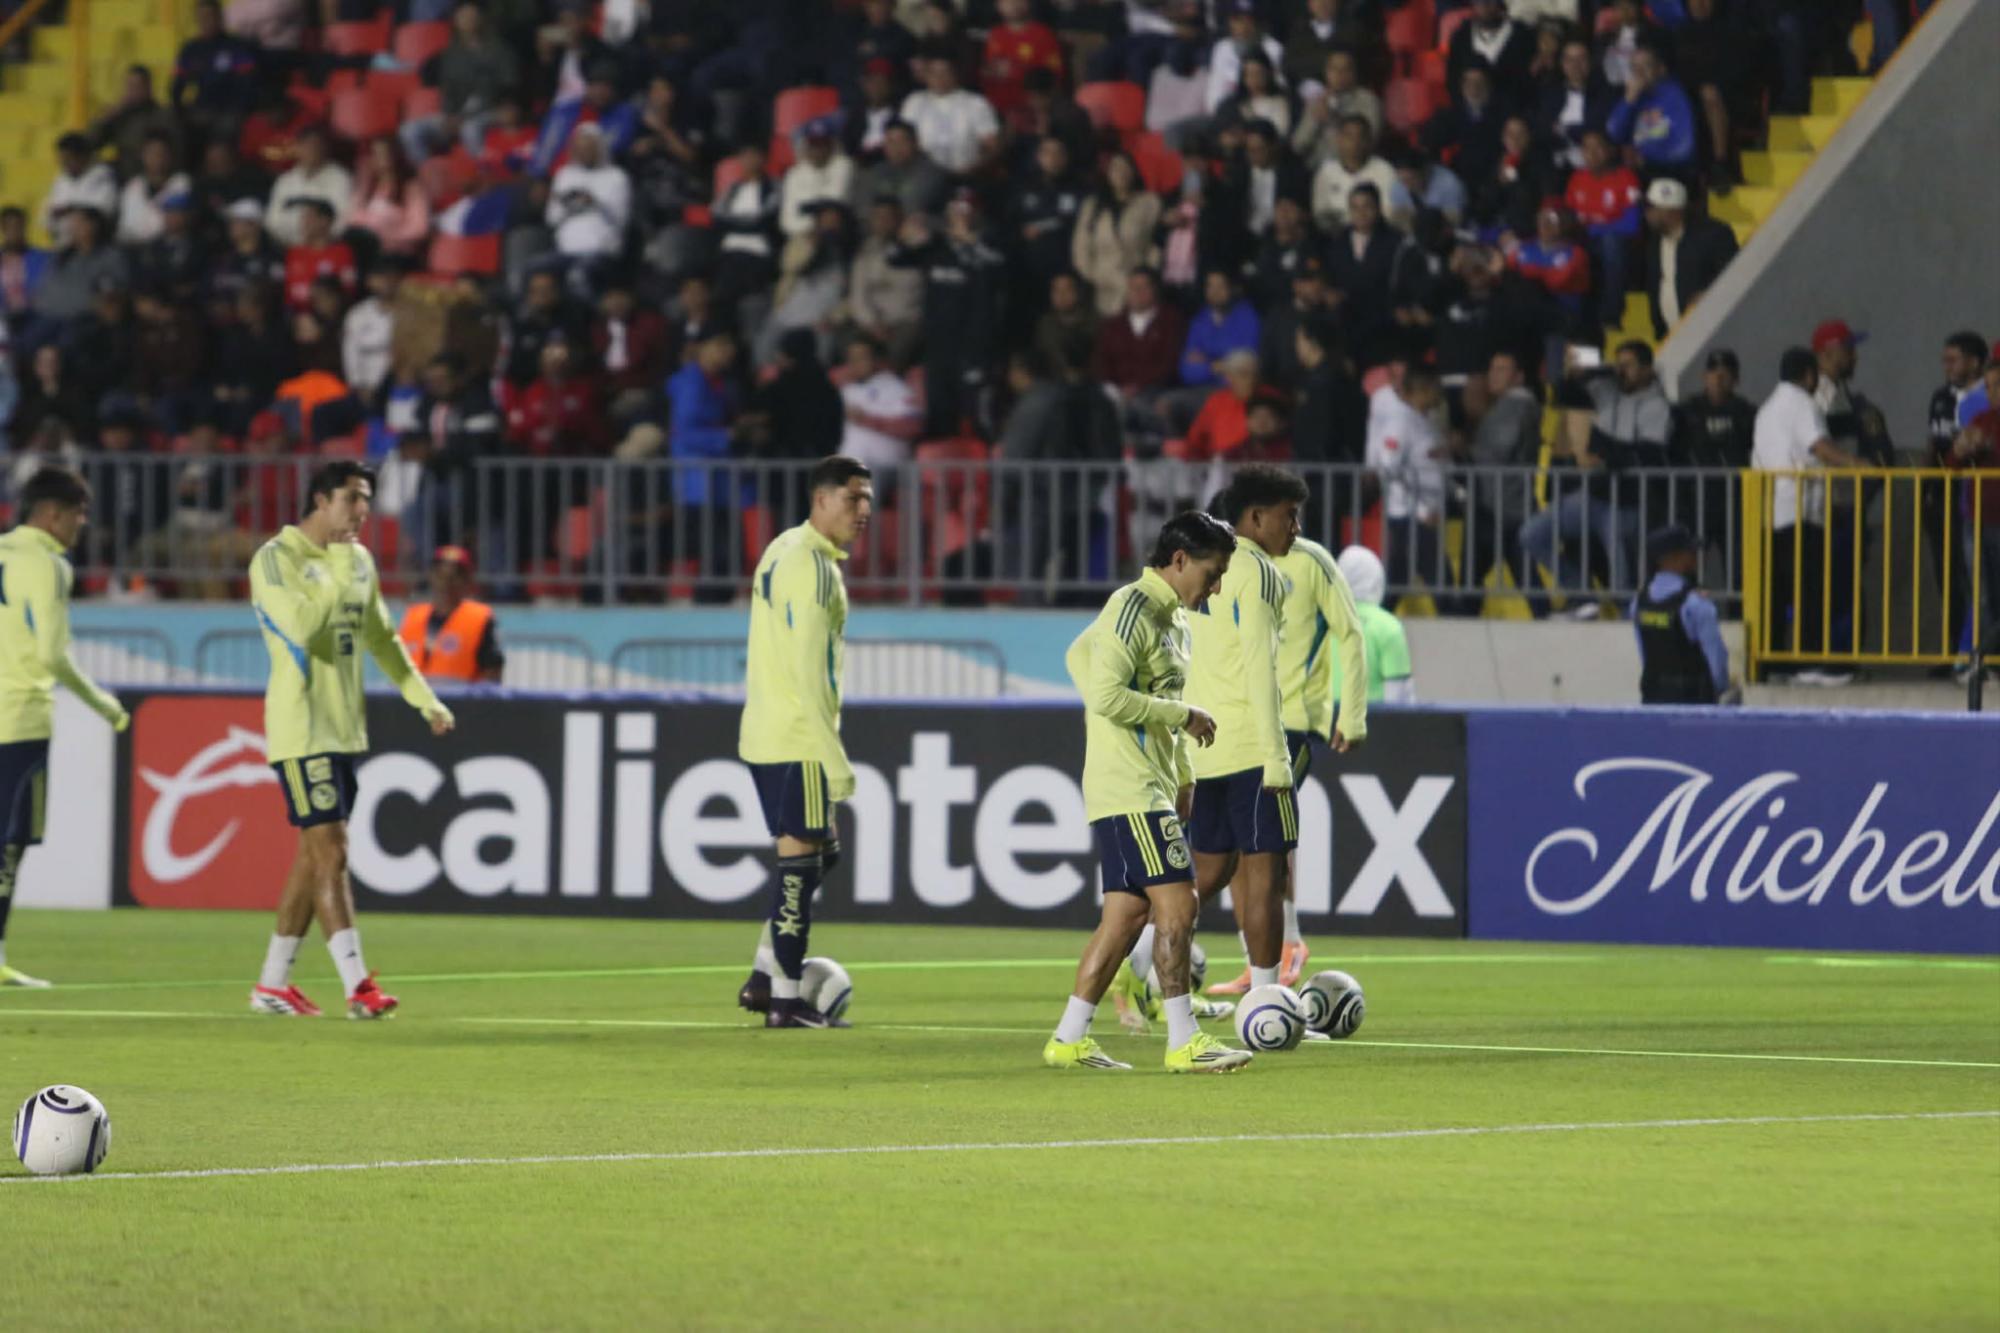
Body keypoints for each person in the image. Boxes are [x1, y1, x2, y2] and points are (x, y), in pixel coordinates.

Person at [1041, 509, 1253, 1075]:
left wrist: (1182, 776)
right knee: (1179, 903)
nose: (1216, 586)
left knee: (1125, 918)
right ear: (1179, 560)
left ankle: (1068, 1037)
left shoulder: (1175, 621)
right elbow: (1107, 695)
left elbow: (1079, 657)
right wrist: (1180, 715)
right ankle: (1184, 1039)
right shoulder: (1130, 607)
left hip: (1151, 785)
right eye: (1211, 572)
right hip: (1129, 786)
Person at [246, 461, 456, 1019]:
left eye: (367, 499)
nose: (363, 511)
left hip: (342, 730)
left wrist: (424, 699)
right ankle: (358, 986)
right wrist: (339, 567)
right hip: (301, 728)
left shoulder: (358, 561)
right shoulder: (276, 559)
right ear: (320, 499)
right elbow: (303, 630)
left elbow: (383, 640)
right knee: (332, 853)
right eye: (352, 498)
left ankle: (271, 983)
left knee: (314, 859)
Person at [735, 456, 876, 1029]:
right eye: (852, 499)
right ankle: (787, 1001)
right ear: (821, 500)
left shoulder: (782, 547)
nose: (863, 511)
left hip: (768, 733)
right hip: (799, 739)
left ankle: (765, 975)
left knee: (822, 854)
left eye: (867, 499)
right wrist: (832, 757)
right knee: (800, 866)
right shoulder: (816, 571)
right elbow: (810, 675)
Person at [1205, 524, 1368, 998]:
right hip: (1240, 725)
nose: (1294, 524)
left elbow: (1350, 632)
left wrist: (1351, 713)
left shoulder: (1311, 560)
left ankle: (1287, 945)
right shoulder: (1226, 567)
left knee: (1262, 844)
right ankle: (1258, 960)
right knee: (1241, 845)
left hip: (1291, 722)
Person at [0, 468, 131, 987]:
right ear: (52, 514)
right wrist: (102, 702)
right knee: (9, 844)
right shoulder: (50, 565)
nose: (82, 524)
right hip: (21, 716)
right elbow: (52, 654)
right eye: (79, 513)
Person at [1187, 464, 1305, 1006]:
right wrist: (1277, 757)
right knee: (1267, 873)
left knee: (1205, 874)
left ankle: (1139, 955)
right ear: (1256, 517)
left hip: (1203, 746)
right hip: (1251, 749)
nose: (1296, 528)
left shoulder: (1205, 565)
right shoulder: (1258, 572)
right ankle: (1265, 1001)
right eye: (1288, 515)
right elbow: (1261, 666)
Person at [1751, 347, 1858, 683]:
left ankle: (1772, 663)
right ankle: (1809, 663)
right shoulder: (1802, 403)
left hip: (1771, 510)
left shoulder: (1766, 409)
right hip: (1802, 510)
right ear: (1809, 375)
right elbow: (1819, 446)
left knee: (1777, 591)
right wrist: (1857, 464)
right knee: (1811, 588)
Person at [1925, 331, 1987, 667]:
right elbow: (1933, 444)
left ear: (1975, 363)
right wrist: (1927, 489)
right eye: (1944, 359)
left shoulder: (1984, 401)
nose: (1946, 366)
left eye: (1954, 359)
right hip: (1944, 497)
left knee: (1975, 580)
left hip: (1974, 501)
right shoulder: (1941, 398)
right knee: (1948, 578)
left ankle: (1974, 652)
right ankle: (1955, 650)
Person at [1633, 524, 1731, 705]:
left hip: (1653, 702)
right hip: (1693, 708)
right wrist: (1719, 690)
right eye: (1689, 551)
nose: (1695, 557)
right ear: (1672, 558)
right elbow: (1716, 663)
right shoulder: (1696, 605)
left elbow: (1646, 657)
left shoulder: (1639, 603)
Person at [396, 546, 504, 684]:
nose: (446, 583)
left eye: (455, 576)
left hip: (460, 702)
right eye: (440, 575)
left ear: (467, 581)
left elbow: (492, 673)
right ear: (432, 576)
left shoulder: (480, 619)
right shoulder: (413, 616)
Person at [1337, 544, 1415, 703]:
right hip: (1371, 725)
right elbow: (1397, 702)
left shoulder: (1319, 622)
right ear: (1377, 579)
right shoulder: (1389, 628)